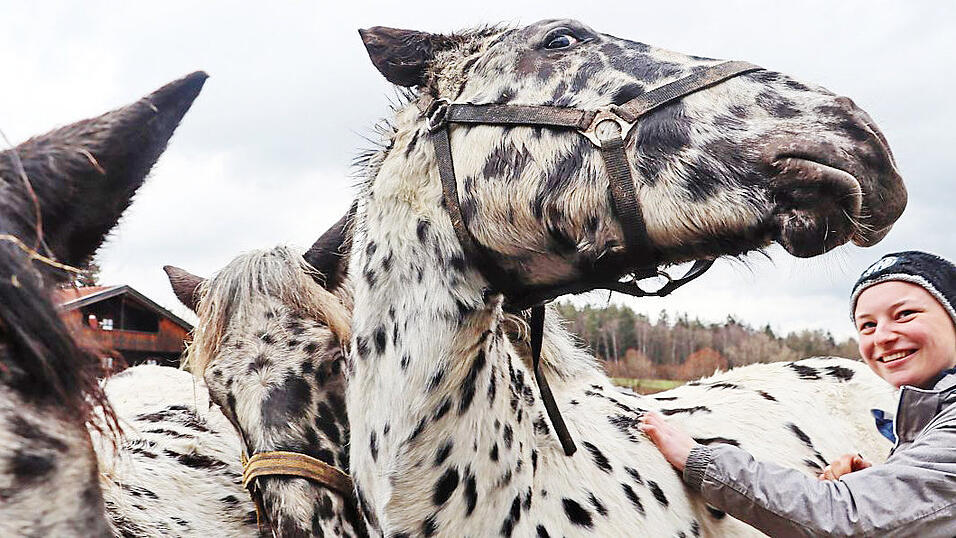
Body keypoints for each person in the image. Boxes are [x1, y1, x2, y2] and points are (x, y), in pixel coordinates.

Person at [639, 251, 956, 537]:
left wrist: (701, 461)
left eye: (904, 314)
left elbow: (844, 516)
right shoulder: (930, 415)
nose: (882, 337)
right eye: (868, 325)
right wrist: (886, 485)